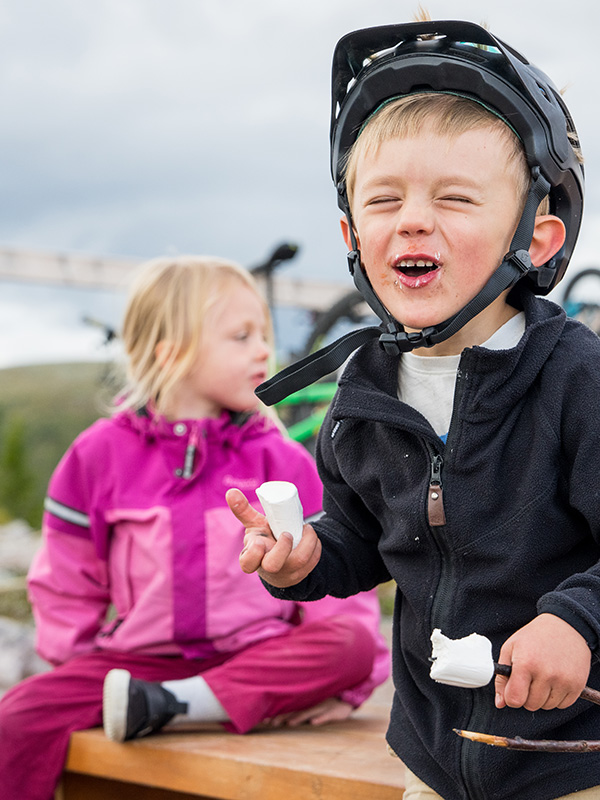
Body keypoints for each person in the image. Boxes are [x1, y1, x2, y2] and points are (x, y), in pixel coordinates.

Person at [226, 17, 600, 800]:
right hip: (433, 753)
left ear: (537, 239)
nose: (413, 219)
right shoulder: (362, 398)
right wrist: (307, 560)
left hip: (575, 759)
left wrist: (576, 621)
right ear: (352, 235)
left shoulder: (577, 380)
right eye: (384, 198)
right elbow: (364, 540)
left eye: (456, 198)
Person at [0, 255, 389, 800]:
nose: (263, 350)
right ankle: (167, 702)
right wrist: (80, 665)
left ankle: (179, 706)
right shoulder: (97, 455)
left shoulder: (284, 460)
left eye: (264, 335)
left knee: (349, 644)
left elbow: (333, 587)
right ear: (171, 351)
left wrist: (347, 686)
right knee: (15, 716)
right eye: (241, 336)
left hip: (255, 656)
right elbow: (67, 579)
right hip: (133, 666)